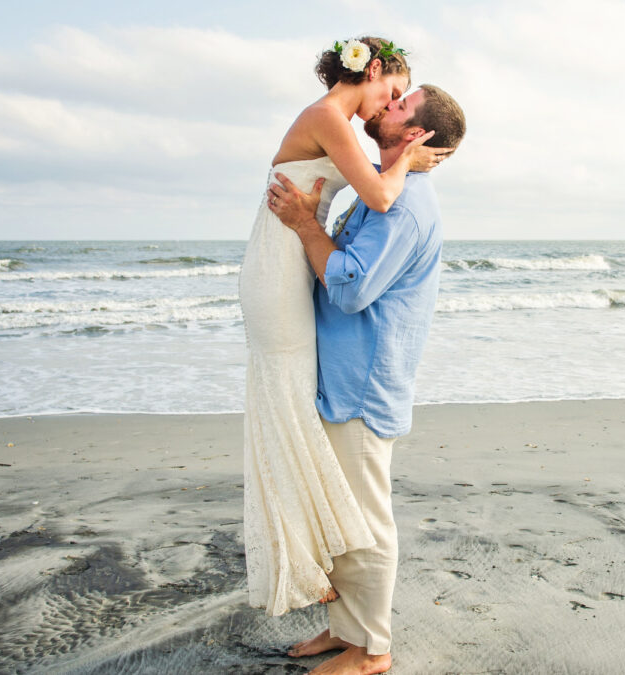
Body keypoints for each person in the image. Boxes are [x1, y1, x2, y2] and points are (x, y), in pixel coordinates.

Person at [238, 37, 451, 620]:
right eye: (394, 90)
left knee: (291, 415)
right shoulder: (327, 117)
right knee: (287, 411)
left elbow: (380, 209)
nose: (390, 103)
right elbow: (381, 192)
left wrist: (405, 159)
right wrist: (407, 158)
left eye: (402, 103)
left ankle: (318, 577)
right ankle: (307, 565)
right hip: (280, 267)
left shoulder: (346, 131)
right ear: (373, 69)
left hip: (288, 261)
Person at [266, 84, 466, 675]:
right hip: (347, 376)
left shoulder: (403, 205)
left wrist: (305, 224)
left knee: (365, 519)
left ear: (416, 135)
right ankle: (346, 629)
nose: (386, 105)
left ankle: (371, 650)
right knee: (342, 509)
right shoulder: (387, 191)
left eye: (402, 106)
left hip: (363, 384)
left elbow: (350, 287)